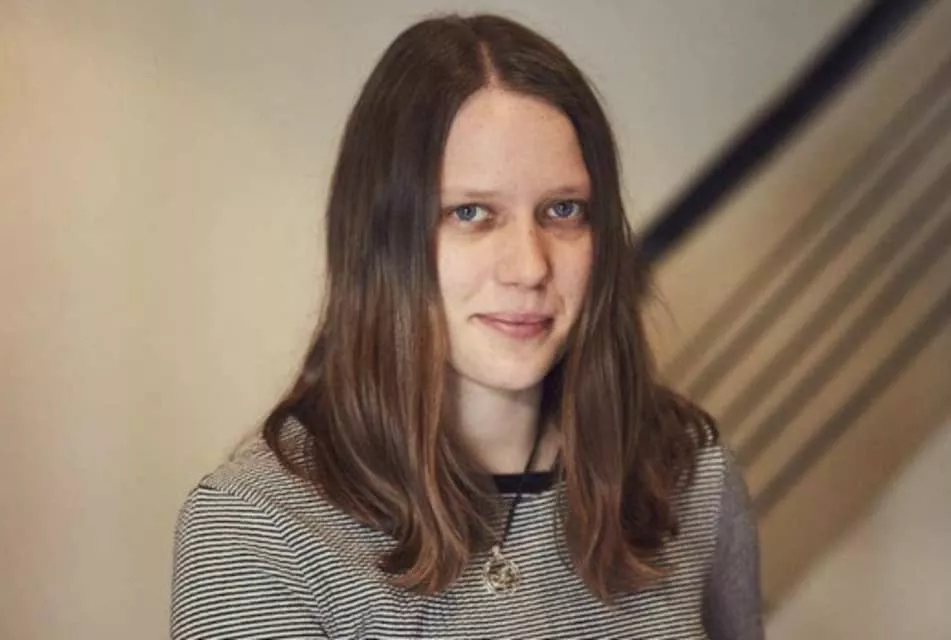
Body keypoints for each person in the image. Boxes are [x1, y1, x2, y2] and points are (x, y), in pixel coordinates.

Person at [170, 13, 763, 640]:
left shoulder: (687, 474)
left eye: (564, 210)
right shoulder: (258, 529)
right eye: (472, 213)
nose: (529, 267)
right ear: (382, 238)